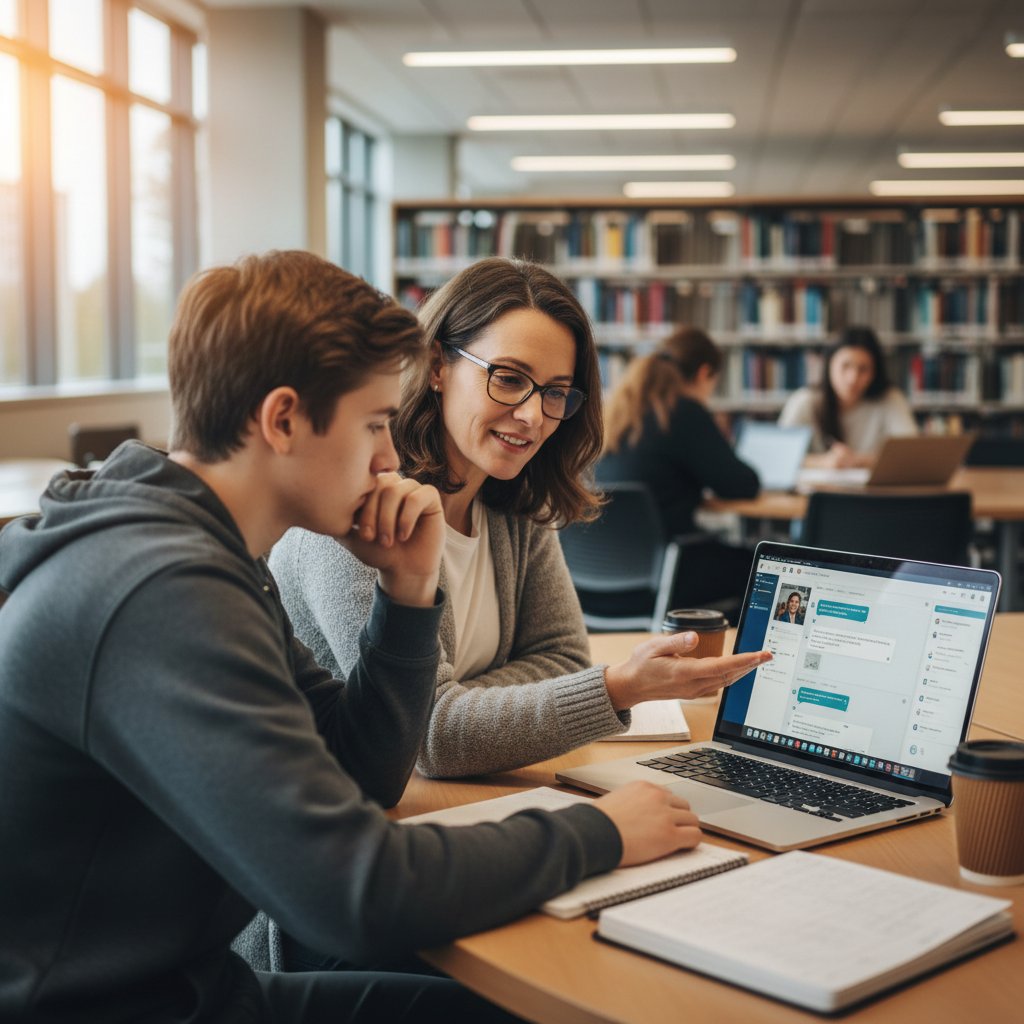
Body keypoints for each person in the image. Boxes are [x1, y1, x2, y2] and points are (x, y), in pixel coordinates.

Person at [0, 251, 772, 1024]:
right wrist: (596, 832)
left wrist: (407, 597)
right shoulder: (158, 589)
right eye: (374, 423)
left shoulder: (214, 558)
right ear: (282, 419)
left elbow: (362, 772)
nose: (388, 455)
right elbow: (352, 892)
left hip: (187, 990)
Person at [595, 325, 760, 615]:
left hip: (599, 576)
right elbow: (742, 484)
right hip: (667, 572)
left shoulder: (619, 412)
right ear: (704, 373)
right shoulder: (683, 411)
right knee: (761, 570)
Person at [778, 325, 917, 468]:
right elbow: (780, 455)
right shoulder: (805, 401)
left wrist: (858, 460)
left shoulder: (890, 399)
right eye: (845, 366)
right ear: (829, 365)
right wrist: (823, 462)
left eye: (863, 369)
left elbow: (911, 454)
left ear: (875, 372)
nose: (853, 378)